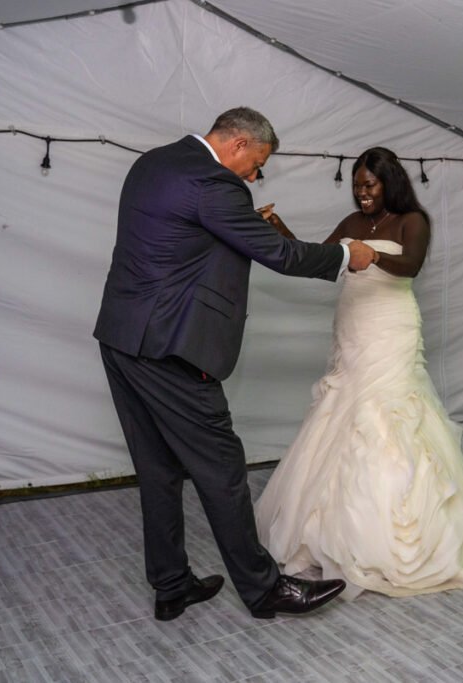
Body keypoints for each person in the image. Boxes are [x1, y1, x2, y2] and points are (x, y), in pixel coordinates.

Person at [93, 107, 377, 621]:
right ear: (241, 144)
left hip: (121, 337)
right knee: (222, 469)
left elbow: (186, 244)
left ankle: (171, 584)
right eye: (257, 163)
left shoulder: (152, 163)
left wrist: (248, 225)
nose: (255, 175)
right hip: (172, 347)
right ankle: (265, 589)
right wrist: (344, 256)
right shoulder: (216, 184)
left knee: (157, 470)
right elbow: (280, 256)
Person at [254, 147, 463, 599]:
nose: (362, 194)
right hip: (353, 327)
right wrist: (279, 229)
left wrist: (372, 255)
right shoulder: (350, 224)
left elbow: (411, 265)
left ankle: (402, 530)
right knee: (343, 416)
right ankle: (337, 527)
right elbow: (319, 263)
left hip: (392, 329)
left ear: (390, 182)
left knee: (390, 419)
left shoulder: (412, 221)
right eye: (356, 186)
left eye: (370, 185)